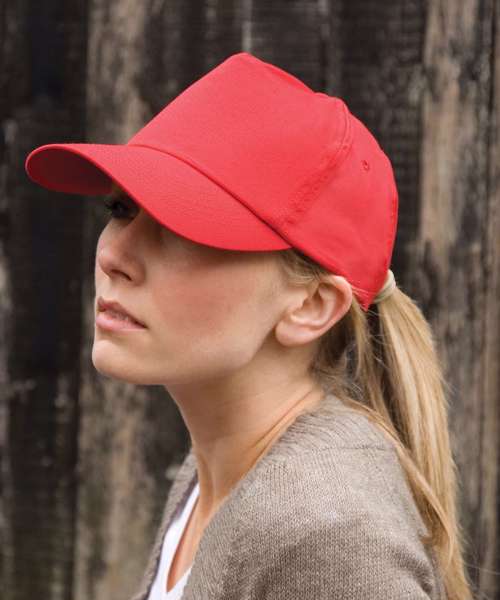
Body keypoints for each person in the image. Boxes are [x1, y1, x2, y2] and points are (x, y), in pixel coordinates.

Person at [24, 52, 474, 600]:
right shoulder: (215, 475)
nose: (113, 255)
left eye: (180, 226)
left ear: (311, 306)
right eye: (121, 209)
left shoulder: (328, 535)